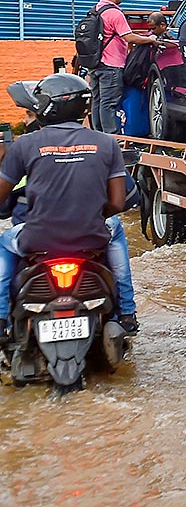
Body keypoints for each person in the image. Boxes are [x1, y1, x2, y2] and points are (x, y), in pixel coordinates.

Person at [0, 74, 136, 339]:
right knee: (116, 229)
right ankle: (127, 313)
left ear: (46, 106)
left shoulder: (25, 144)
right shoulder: (107, 143)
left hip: (36, 240)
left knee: (5, 241)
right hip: (92, 238)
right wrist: (93, 215)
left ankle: (1, 317)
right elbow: (119, 203)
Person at [90, 0, 160, 133]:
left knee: (97, 101)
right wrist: (150, 39)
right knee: (108, 103)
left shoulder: (95, 10)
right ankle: (111, 139)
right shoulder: (114, 13)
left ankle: (97, 136)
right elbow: (129, 37)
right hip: (111, 65)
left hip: (95, 64)